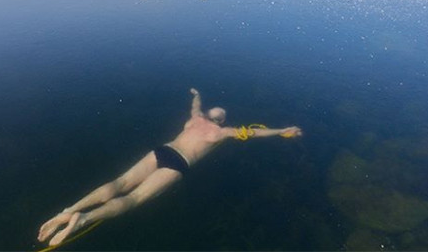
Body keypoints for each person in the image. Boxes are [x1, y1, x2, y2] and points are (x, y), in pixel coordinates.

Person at [37, 88, 302, 246]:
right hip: (179, 163)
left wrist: (197, 94)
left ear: (209, 114)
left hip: (164, 150)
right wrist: (282, 130)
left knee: (119, 183)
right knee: (134, 199)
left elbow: (196, 105)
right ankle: (83, 219)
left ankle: (68, 210)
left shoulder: (195, 119)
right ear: (221, 121)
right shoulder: (220, 133)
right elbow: (254, 133)